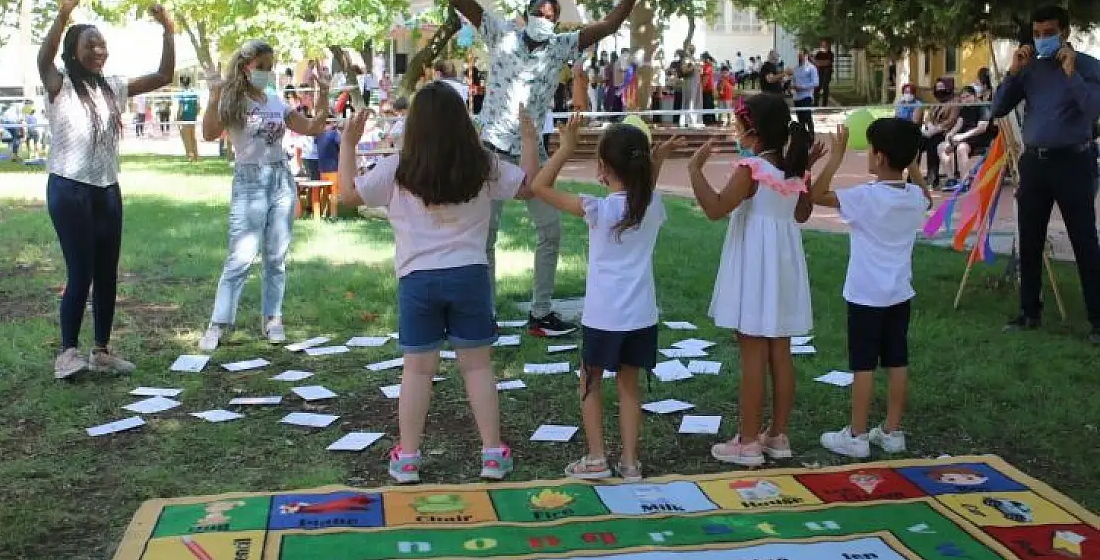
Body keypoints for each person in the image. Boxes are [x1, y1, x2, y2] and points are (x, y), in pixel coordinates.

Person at [422, 0, 655, 336]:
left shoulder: (562, 45)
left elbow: (611, 24)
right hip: (490, 152)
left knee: (550, 229)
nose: (545, 17)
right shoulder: (499, 35)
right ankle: (484, 314)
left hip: (533, 157)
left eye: (551, 13)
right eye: (539, 11)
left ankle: (540, 312)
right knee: (485, 236)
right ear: (526, 14)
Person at [336, 85, 541, 483]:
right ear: (463, 122)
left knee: (416, 372)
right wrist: (530, 140)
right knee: (477, 367)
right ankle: (493, 454)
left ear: (414, 126)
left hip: (417, 280)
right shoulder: (482, 164)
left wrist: (348, 144)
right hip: (470, 276)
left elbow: (347, 195)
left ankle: (408, 458)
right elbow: (528, 186)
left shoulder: (397, 167)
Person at [38, 0, 174, 379]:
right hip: (69, 188)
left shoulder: (111, 85)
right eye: (90, 45)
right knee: (80, 271)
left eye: (102, 45)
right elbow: (42, 57)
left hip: (107, 189)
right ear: (73, 50)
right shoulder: (58, 83)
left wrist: (168, 30)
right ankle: (67, 354)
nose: (98, 51)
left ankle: (102, 350)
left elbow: (164, 75)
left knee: (107, 272)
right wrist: (64, 12)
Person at [532, 117, 677, 481]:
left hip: (603, 316)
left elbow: (539, 185)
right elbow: (641, 193)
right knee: (629, 385)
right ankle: (630, 463)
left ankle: (597, 457)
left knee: (589, 381)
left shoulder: (598, 208)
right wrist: (656, 163)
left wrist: (565, 149)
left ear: (603, 167)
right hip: (642, 315)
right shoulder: (653, 205)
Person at [687, 93, 815, 466]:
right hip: (784, 269)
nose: (735, 130)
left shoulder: (751, 169)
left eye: (739, 124)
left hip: (757, 270)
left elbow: (714, 209)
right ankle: (777, 435)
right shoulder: (795, 171)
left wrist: (695, 171)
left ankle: (746, 442)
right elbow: (803, 214)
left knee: (753, 355)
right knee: (781, 352)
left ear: (754, 132)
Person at [197, 40, 329, 351]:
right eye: (261, 67)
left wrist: (323, 92)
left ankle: (273, 318)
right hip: (250, 181)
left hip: (281, 179)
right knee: (241, 255)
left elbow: (313, 127)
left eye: (270, 67)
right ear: (245, 67)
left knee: (276, 256)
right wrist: (215, 93)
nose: (267, 73)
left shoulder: (275, 101)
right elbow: (208, 133)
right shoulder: (234, 101)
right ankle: (219, 323)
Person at [811, 119, 929, 458]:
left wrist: (835, 158)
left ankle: (858, 435)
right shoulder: (914, 199)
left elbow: (816, 194)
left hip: (865, 296)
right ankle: (892, 431)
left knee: (863, 365)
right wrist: (910, 164)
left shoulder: (865, 197)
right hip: (899, 294)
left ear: (879, 156)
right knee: (897, 361)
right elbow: (925, 196)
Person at [992, 5, 1100, 344]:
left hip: (1074, 162)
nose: (1042, 40)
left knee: (1085, 242)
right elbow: (997, 109)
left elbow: (1095, 110)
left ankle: (1097, 320)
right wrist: (1012, 72)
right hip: (1035, 164)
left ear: (1064, 32)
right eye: (1037, 34)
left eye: (1048, 33)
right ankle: (1029, 312)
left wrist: (1072, 75)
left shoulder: (1088, 66)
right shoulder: (1030, 69)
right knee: (1030, 238)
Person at [939, 85, 992, 189]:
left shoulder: (983, 108)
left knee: (961, 148)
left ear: (975, 96)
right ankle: (951, 179)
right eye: (962, 98)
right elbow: (959, 123)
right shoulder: (965, 109)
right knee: (941, 147)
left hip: (978, 138)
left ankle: (965, 181)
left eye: (967, 96)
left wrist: (962, 136)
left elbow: (982, 128)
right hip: (963, 138)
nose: (965, 99)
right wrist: (951, 133)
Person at [919, 78, 961, 188]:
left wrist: (937, 129)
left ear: (948, 88)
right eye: (937, 87)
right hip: (931, 131)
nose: (939, 90)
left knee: (932, 143)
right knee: (915, 143)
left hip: (945, 133)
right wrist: (929, 126)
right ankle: (912, 177)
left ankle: (932, 179)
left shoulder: (955, 102)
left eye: (942, 87)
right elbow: (928, 117)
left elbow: (952, 120)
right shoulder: (936, 102)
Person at [314, 118, 342, 219]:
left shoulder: (319, 134)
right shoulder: (334, 134)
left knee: (325, 191)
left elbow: (316, 142)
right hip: (333, 168)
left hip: (322, 168)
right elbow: (341, 144)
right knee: (334, 192)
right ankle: (333, 215)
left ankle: (323, 213)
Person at [791, 48, 819, 137]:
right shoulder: (796, 68)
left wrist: (802, 87)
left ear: (806, 55)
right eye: (798, 55)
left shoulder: (811, 68)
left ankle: (811, 136)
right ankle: (802, 138)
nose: (800, 57)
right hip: (797, 97)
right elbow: (793, 81)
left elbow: (815, 83)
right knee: (800, 120)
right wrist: (791, 87)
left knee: (807, 117)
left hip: (806, 96)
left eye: (801, 55)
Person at [679, 45, 701, 128]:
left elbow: (698, 70)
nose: (692, 51)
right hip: (689, 81)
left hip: (696, 81)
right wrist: (692, 66)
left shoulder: (694, 59)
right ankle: (687, 120)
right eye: (690, 49)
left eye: (693, 49)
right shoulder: (686, 59)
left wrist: (699, 67)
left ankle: (695, 120)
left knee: (696, 100)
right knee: (689, 101)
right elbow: (684, 70)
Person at [814, 38, 835, 106]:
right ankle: (815, 103)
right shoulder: (818, 54)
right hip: (820, 71)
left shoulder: (830, 54)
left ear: (828, 46)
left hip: (827, 71)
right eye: (822, 45)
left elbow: (828, 63)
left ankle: (824, 104)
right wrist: (821, 63)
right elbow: (816, 62)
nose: (824, 46)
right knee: (818, 86)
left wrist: (821, 63)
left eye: (825, 45)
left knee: (825, 86)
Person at [701, 52, 716, 125]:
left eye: (702, 58)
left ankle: (708, 120)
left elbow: (705, 78)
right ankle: (711, 119)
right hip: (708, 88)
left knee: (707, 104)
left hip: (707, 89)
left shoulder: (708, 66)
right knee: (709, 104)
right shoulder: (708, 66)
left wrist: (701, 88)